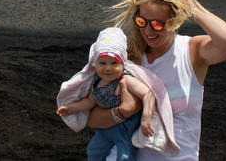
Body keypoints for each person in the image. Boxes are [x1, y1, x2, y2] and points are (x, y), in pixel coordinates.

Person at [88, 0, 226, 161]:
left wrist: (190, 5)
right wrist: (123, 111)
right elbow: (92, 117)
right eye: (142, 21)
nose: (148, 31)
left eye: (158, 24)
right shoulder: (125, 58)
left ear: (175, 20)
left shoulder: (191, 52)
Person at [56, 27, 161, 161]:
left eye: (114, 63)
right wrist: (70, 108)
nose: (108, 68)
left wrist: (146, 117)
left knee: (125, 156)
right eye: (102, 63)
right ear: (95, 63)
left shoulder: (125, 79)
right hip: (106, 127)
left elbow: (148, 94)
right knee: (93, 151)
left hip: (125, 127)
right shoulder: (96, 81)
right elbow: (89, 102)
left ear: (123, 62)